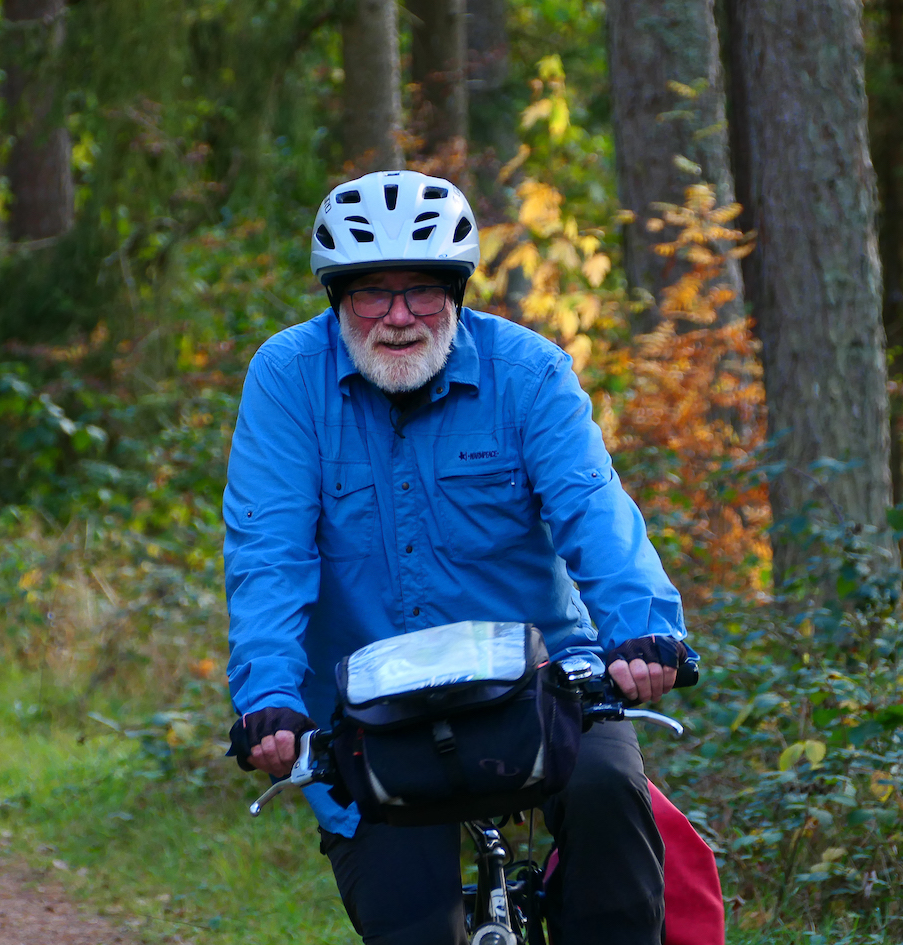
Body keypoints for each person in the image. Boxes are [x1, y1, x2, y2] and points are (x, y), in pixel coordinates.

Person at [223, 169, 694, 945]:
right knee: (409, 922)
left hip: (541, 683)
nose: (399, 317)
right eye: (373, 292)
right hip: (368, 705)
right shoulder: (286, 377)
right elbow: (267, 550)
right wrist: (269, 696)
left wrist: (642, 632)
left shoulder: (529, 371)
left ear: (458, 291)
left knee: (613, 803)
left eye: (423, 292)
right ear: (337, 296)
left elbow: (593, 507)